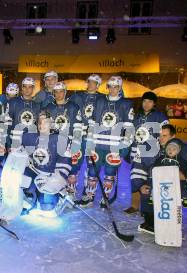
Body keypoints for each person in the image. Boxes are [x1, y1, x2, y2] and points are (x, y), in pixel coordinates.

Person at [77, 76, 134, 208]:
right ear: (107, 87)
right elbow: (92, 123)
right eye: (110, 86)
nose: (113, 89)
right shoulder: (99, 101)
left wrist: (124, 147)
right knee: (92, 171)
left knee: (110, 172)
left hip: (114, 147)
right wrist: (90, 143)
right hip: (97, 145)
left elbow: (129, 128)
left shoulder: (126, 104)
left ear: (120, 88)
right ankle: (89, 196)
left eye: (116, 87)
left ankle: (106, 197)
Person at [138, 124, 187, 234]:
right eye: (160, 136)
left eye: (164, 136)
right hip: (159, 185)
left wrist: (175, 176)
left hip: (175, 188)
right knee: (147, 190)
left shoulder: (183, 149)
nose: (161, 138)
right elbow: (149, 169)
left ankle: (171, 224)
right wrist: (142, 184)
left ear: (173, 136)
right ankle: (151, 222)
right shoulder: (158, 148)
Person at [20, 111, 73, 215]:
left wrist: (55, 180)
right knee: (23, 197)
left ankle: (61, 198)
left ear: (52, 124)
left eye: (45, 122)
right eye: (40, 122)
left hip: (51, 177)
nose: (41, 124)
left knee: (47, 208)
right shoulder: (29, 137)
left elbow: (65, 163)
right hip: (36, 174)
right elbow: (24, 157)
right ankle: (32, 196)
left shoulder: (60, 140)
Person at [126, 91, 169, 214]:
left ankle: (150, 207)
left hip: (153, 154)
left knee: (151, 180)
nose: (146, 104)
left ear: (154, 103)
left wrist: (164, 149)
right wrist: (127, 150)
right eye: (145, 101)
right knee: (135, 178)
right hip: (137, 153)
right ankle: (134, 206)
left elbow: (165, 134)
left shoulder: (160, 117)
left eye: (150, 101)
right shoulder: (136, 116)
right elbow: (129, 135)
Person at [69, 74, 104, 205]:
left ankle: (89, 195)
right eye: (89, 81)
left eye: (94, 82)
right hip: (78, 136)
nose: (91, 84)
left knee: (92, 167)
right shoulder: (77, 96)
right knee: (74, 164)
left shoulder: (102, 99)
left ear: (98, 85)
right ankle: (70, 193)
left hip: (93, 137)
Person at [46, 81, 83, 199]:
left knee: (71, 169)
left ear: (65, 92)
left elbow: (78, 127)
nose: (59, 94)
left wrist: (76, 143)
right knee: (56, 169)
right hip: (53, 143)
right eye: (56, 92)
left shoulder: (73, 107)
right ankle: (57, 192)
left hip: (69, 143)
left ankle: (71, 193)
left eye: (61, 91)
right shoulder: (49, 107)